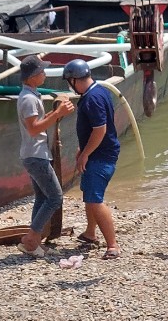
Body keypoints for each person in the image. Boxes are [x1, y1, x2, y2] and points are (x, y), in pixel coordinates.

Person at [16, 55, 74, 257]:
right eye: (41, 72)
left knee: (42, 197)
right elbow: (34, 129)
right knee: (55, 197)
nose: (44, 74)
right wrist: (57, 115)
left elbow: (38, 124)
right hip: (36, 155)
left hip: (34, 154)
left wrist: (57, 112)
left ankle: (34, 243)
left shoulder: (31, 95)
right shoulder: (29, 99)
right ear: (32, 76)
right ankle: (31, 240)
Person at [63, 58, 120, 258]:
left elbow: (100, 129)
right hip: (98, 151)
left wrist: (86, 153)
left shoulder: (92, 98)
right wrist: (83, 148)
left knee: (95, 199)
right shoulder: (99, 91)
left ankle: (112, 245)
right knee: (88, 192)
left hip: (101, 155)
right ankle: (90, 233)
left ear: (74, 80)